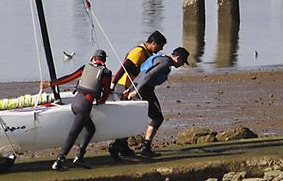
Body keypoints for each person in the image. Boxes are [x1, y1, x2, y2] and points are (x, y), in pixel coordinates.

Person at [109, 29, 167, 157]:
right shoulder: (139, 51)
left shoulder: (146, 52)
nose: (160, 50)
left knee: (130, 116)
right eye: (160, 46)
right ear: (153, 43)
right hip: (124, 86)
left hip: (130, 87)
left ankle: (122, 146)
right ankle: (117, 145)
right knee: (129, 116)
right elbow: (125, 67)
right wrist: (113, 84)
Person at [123, 46, 190, 157]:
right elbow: (149, 75)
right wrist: (135, 91)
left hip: (138, 86)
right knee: (157, 118)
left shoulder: (160, 58)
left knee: (135, 116)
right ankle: (146, 148)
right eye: (183, 62)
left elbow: (142, 72)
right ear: (177, 58)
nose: (182, 65)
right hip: (143, 90)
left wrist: (131, 88)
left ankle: (119, 144)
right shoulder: (165, 63)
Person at [52, 49, 112, 170]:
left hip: (75, 102)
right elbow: (106, 91)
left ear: (93, 58)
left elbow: (69, 78)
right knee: (73, 134)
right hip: (84, 106)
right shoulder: (106, 73)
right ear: (104, 60)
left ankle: (79, 157)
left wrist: (50, 83)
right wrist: (101, 101)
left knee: (90, 129)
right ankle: (58, 161)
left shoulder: (85, 67)